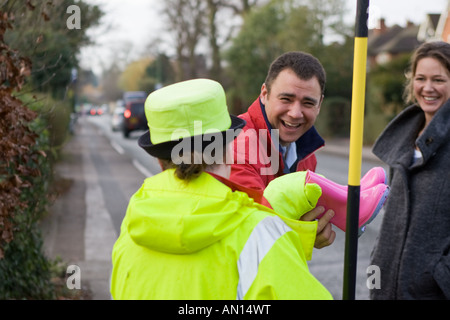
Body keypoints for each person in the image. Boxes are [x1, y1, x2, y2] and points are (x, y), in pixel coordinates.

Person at [110, 78, 333, 300]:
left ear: (160, 161)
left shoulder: (130, 232)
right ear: (229, 148)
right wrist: (288, 240)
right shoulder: (260, 235)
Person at [370, 41, 450, 300]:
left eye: (438, 79)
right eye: (420, 78)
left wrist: (441, 276)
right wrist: (375, 267)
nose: (428, 88)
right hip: (384, 284)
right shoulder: (403, 139)